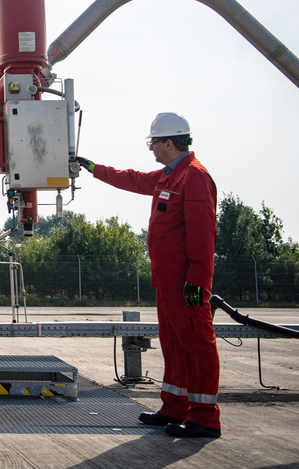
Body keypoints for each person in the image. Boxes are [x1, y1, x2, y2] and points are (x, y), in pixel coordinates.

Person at [75, 112, 221, 438]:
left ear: (170, 142)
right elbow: (134, 179)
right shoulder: (170, 176)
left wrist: (197, 281)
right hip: (167, 282)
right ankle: (174, 407)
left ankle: (205, 418)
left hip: (186, 285)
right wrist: (96, 169)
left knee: (196, 347)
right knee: (173, 346)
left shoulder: (194, 178)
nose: (151, 148)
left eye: (154, 142)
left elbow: (203, 235)